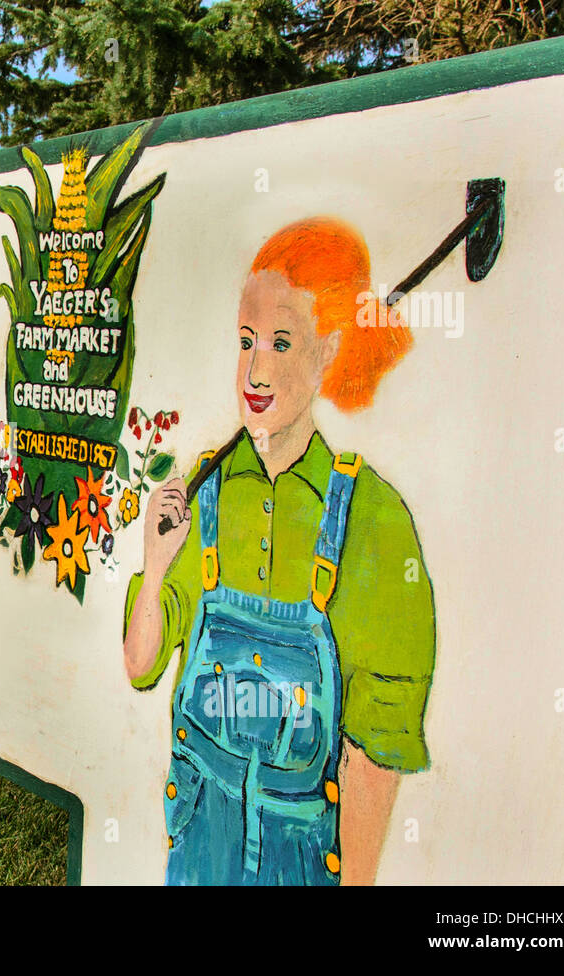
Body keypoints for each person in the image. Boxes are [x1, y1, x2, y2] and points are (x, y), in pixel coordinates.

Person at [122, 217, 435, 886]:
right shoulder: (201, 498)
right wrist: (156, 569)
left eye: (282, 342)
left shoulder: (373, 520)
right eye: (246, 341)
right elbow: (141, 664)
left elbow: (375, 757)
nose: (256, 370)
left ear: (329, 351)